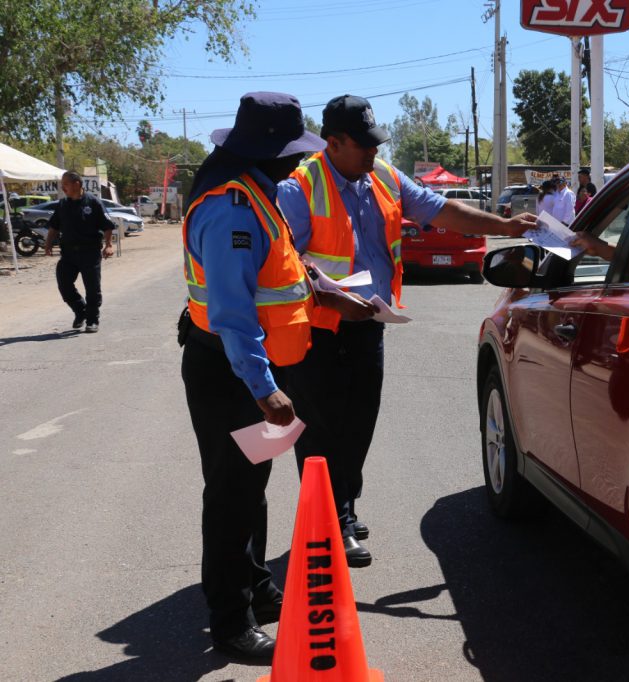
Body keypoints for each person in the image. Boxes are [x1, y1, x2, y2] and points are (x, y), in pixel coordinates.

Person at [277, 93, 535, 567]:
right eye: (363, 145)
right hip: (317, 328)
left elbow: (443, 211)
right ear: (333, 143)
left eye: (376, 143)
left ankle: (344, 508)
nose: (373, 152)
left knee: (359, 423)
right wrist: (331, 295)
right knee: (322, 431)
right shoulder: (298, 188)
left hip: (368, 323)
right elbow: (288, 261)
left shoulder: (384, 176)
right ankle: (331, 522)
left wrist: (504, 225)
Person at [179, 91, 364, 661]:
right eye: (290, 152)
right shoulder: (232, 208)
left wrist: (327, 292)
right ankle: (230, 621)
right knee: (231, 496)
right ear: (266, 153)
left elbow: (278, 272)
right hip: (231, 373)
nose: (297, 162)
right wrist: (265, 390)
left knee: (251, 489)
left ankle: (256, 590)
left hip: (249, 369)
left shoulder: (259, 197)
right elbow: (234, 314)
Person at [44, 171, 116, 332]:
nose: (63, 188)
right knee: (64, 284)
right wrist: (48, 243)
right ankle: (80, 310)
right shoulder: (62, 205)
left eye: (66, 184)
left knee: (92, 288)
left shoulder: (93, 203)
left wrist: (109, 244)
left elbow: (107, 226)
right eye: (62, 185)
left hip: (89, 252)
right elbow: (54, 227)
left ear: (77, 184)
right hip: (68, 254)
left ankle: (92, 320)